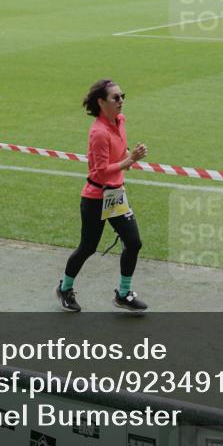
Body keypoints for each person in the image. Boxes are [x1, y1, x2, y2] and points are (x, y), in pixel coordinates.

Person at [57, 78, 148, 313]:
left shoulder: (120, 120)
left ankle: (124, 293)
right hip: (96, 198)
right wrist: (129, 160)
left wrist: (129, 153)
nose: (121, 102)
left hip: (116, 195)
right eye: (116, 98)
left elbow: (120, 151)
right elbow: (99, 171)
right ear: (101, 102)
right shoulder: (98, 132)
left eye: (122, 96)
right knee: (87, 247)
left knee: (134, 242)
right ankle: (65, 288)